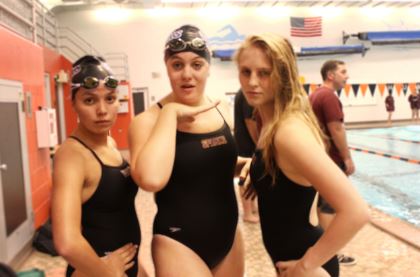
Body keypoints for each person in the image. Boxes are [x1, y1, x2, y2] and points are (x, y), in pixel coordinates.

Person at [235, 34, 369, 277]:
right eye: (246, 71)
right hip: (292, 262)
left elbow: (356, 211)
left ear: (283, 75)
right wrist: (256, 169)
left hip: (307, 268)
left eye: (264, 73)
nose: (252, 81)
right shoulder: (270, 121)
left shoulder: (288, 132)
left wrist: (305, 266)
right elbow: (288, 177)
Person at [128, 25, 246, 277]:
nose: (187, 75)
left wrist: (249, 164)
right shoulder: (147, 121)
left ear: (208, 67)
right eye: (177, 65)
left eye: (196, 65)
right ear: (166, 65)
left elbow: (213, 165)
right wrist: (170, 115)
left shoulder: (221, 108)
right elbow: (150, 180)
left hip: (229, 237)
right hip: (178, 243)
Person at [51, 55, 146, 277]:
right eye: (90, 100)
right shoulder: (72, 155)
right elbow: (66, 242)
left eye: (110, 98)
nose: (102, 110)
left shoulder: (110, 143)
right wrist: (107, 272)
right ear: (73, 103)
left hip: (125, 264)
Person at [309, 60, 358, 266]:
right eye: (343, 72)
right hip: (330, 160)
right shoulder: (328, 97)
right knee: (331, 207)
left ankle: (323, 249)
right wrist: (347, 157)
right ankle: (331, 254)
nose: (347, 76)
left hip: (319, 159)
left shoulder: (315, 94)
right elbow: (336, 129)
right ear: (330, 75)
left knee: (323, 205)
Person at [234, 89, 259, 223]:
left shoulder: (243, 93)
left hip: (245, 142)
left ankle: (252, 207)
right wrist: (260, 145)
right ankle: (247, 213)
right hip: (246, 144)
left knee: (251, 176)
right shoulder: (246, 95)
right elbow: (251, 123)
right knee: (244, 177)